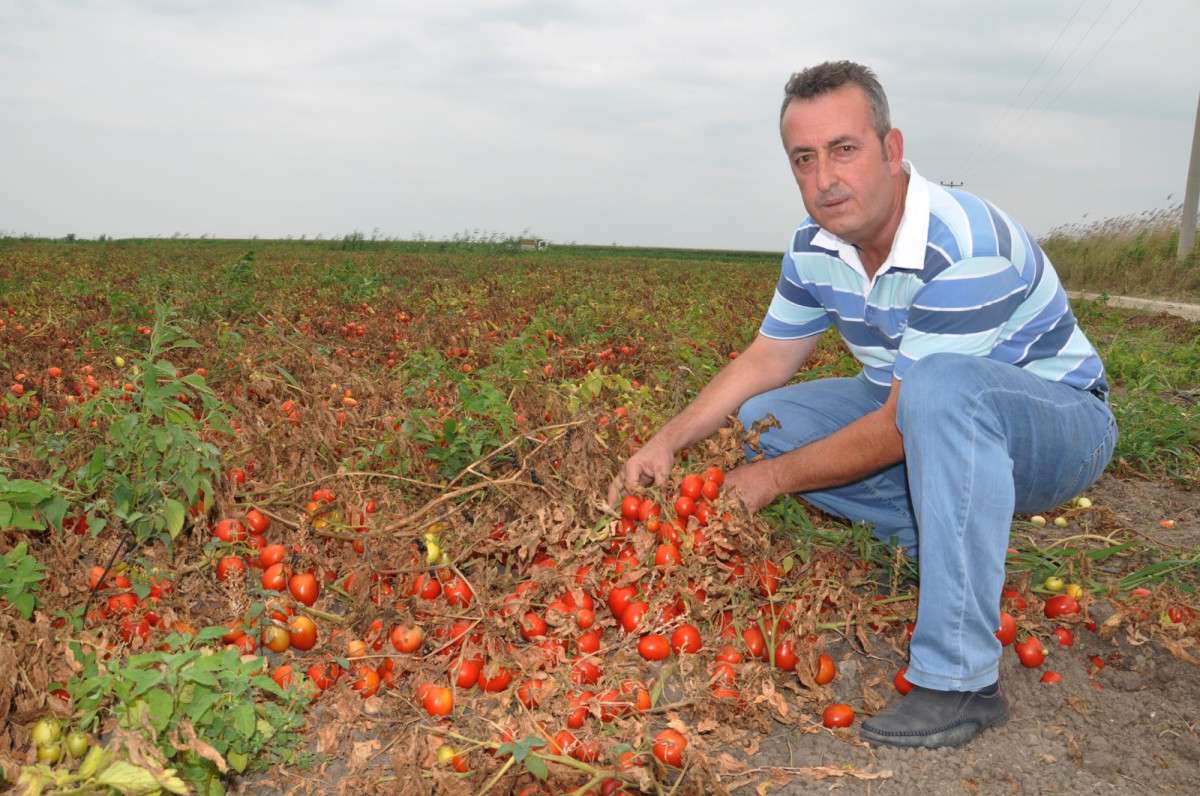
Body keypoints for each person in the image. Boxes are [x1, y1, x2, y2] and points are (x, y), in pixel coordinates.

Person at [607, 60, 1117, 749]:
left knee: (936, 394)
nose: (825, 180)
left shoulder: (964, 244)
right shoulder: (815, 244)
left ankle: (961, 680)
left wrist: (767, 480)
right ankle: (927, 526)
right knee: (768, 420)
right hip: (914, 405)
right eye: (804, 160)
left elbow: (901, 423)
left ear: (892, 149)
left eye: (844, 150)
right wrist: (667, 441)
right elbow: (766, 359)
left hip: (1056, 426)